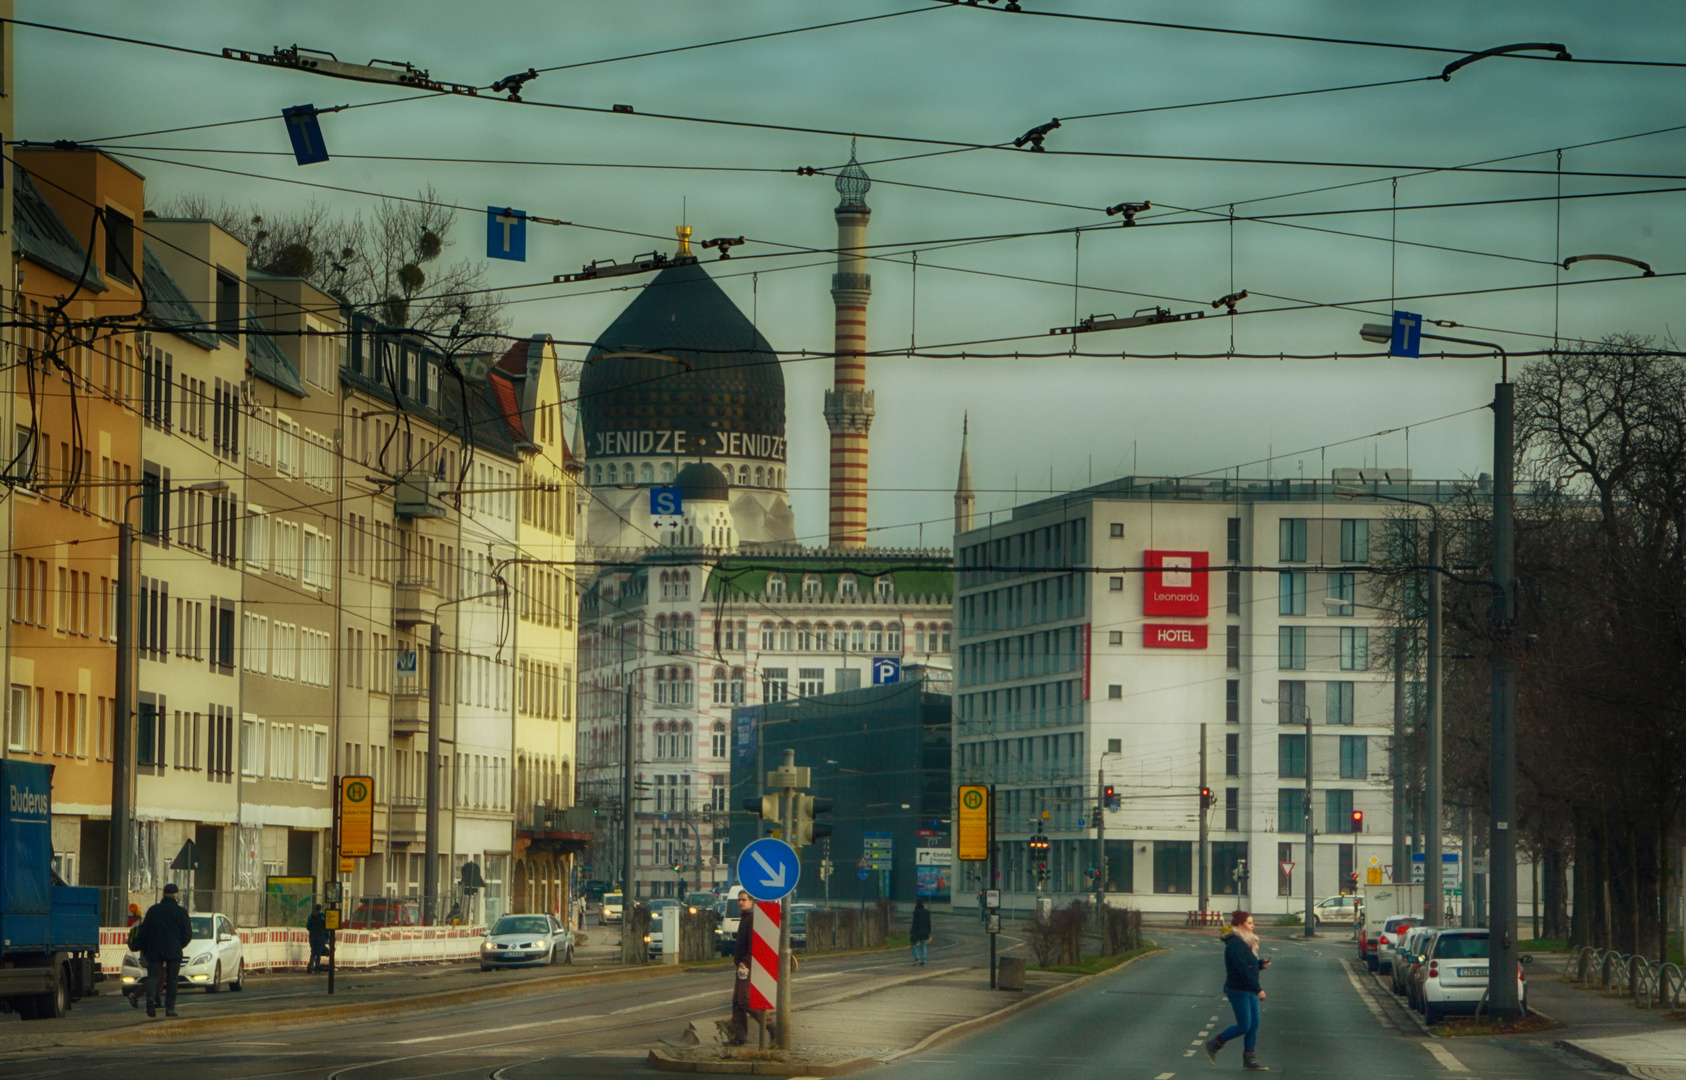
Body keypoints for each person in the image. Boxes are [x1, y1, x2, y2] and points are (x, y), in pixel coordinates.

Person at [1205, 909, 1270, 1071]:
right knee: (1244, 1026)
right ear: (1240, 925)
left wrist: (1260, 964)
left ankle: (1249, 1060)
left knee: (1254, 1025)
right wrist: (1258, 989)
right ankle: (1214, 1043)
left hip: (1248, 989)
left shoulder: (1247, 942)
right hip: (1238, 989)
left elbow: (1247, 965)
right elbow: (1240, 969)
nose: (1253, 926)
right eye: (1249, 923)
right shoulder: (1235, 943)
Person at [134, 883, 193, 1018]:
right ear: (176, 895)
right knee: (172, 979)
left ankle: (150, 1000)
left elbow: (144, 931)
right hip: (174, 950)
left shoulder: (153, 910)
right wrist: (179, 945)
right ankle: (170, 1009)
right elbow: (187, 934)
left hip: (155, 949)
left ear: (163, 894)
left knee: (153, 977)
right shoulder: (181, 912)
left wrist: (142, 946)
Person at [728, 893, 775, 1046]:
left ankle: (772, 1026)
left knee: (744, 1000)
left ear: (751, 901)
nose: (741, 903)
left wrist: (746, 963)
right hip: (742, 966)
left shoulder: (752, 918)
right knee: (737, 1002)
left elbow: (754, 944)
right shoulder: (745, 917)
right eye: (739, 900)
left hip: (748, 966)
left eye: (744, 900)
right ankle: (740, 1037)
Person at [306, 904, 330, 974]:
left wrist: (312, 931)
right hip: (321, 936)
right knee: (319, 952)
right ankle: (317, 966)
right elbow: (326, 927)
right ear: (320, 909)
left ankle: (311, 963)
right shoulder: (323, 917)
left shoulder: (311, 916)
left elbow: (308, 926)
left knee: (313, 951)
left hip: (312, 936)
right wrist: (327, 936)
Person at [909, 898, 932, 966]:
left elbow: (915, 923)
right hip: (925, 931)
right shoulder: (926, 912)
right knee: (923, 945)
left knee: (913, 944)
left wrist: (912, 932)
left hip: (917, 931)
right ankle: (924, 960)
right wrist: (929, 931)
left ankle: (917, 957)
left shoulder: (916, 912)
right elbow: (929, 922)